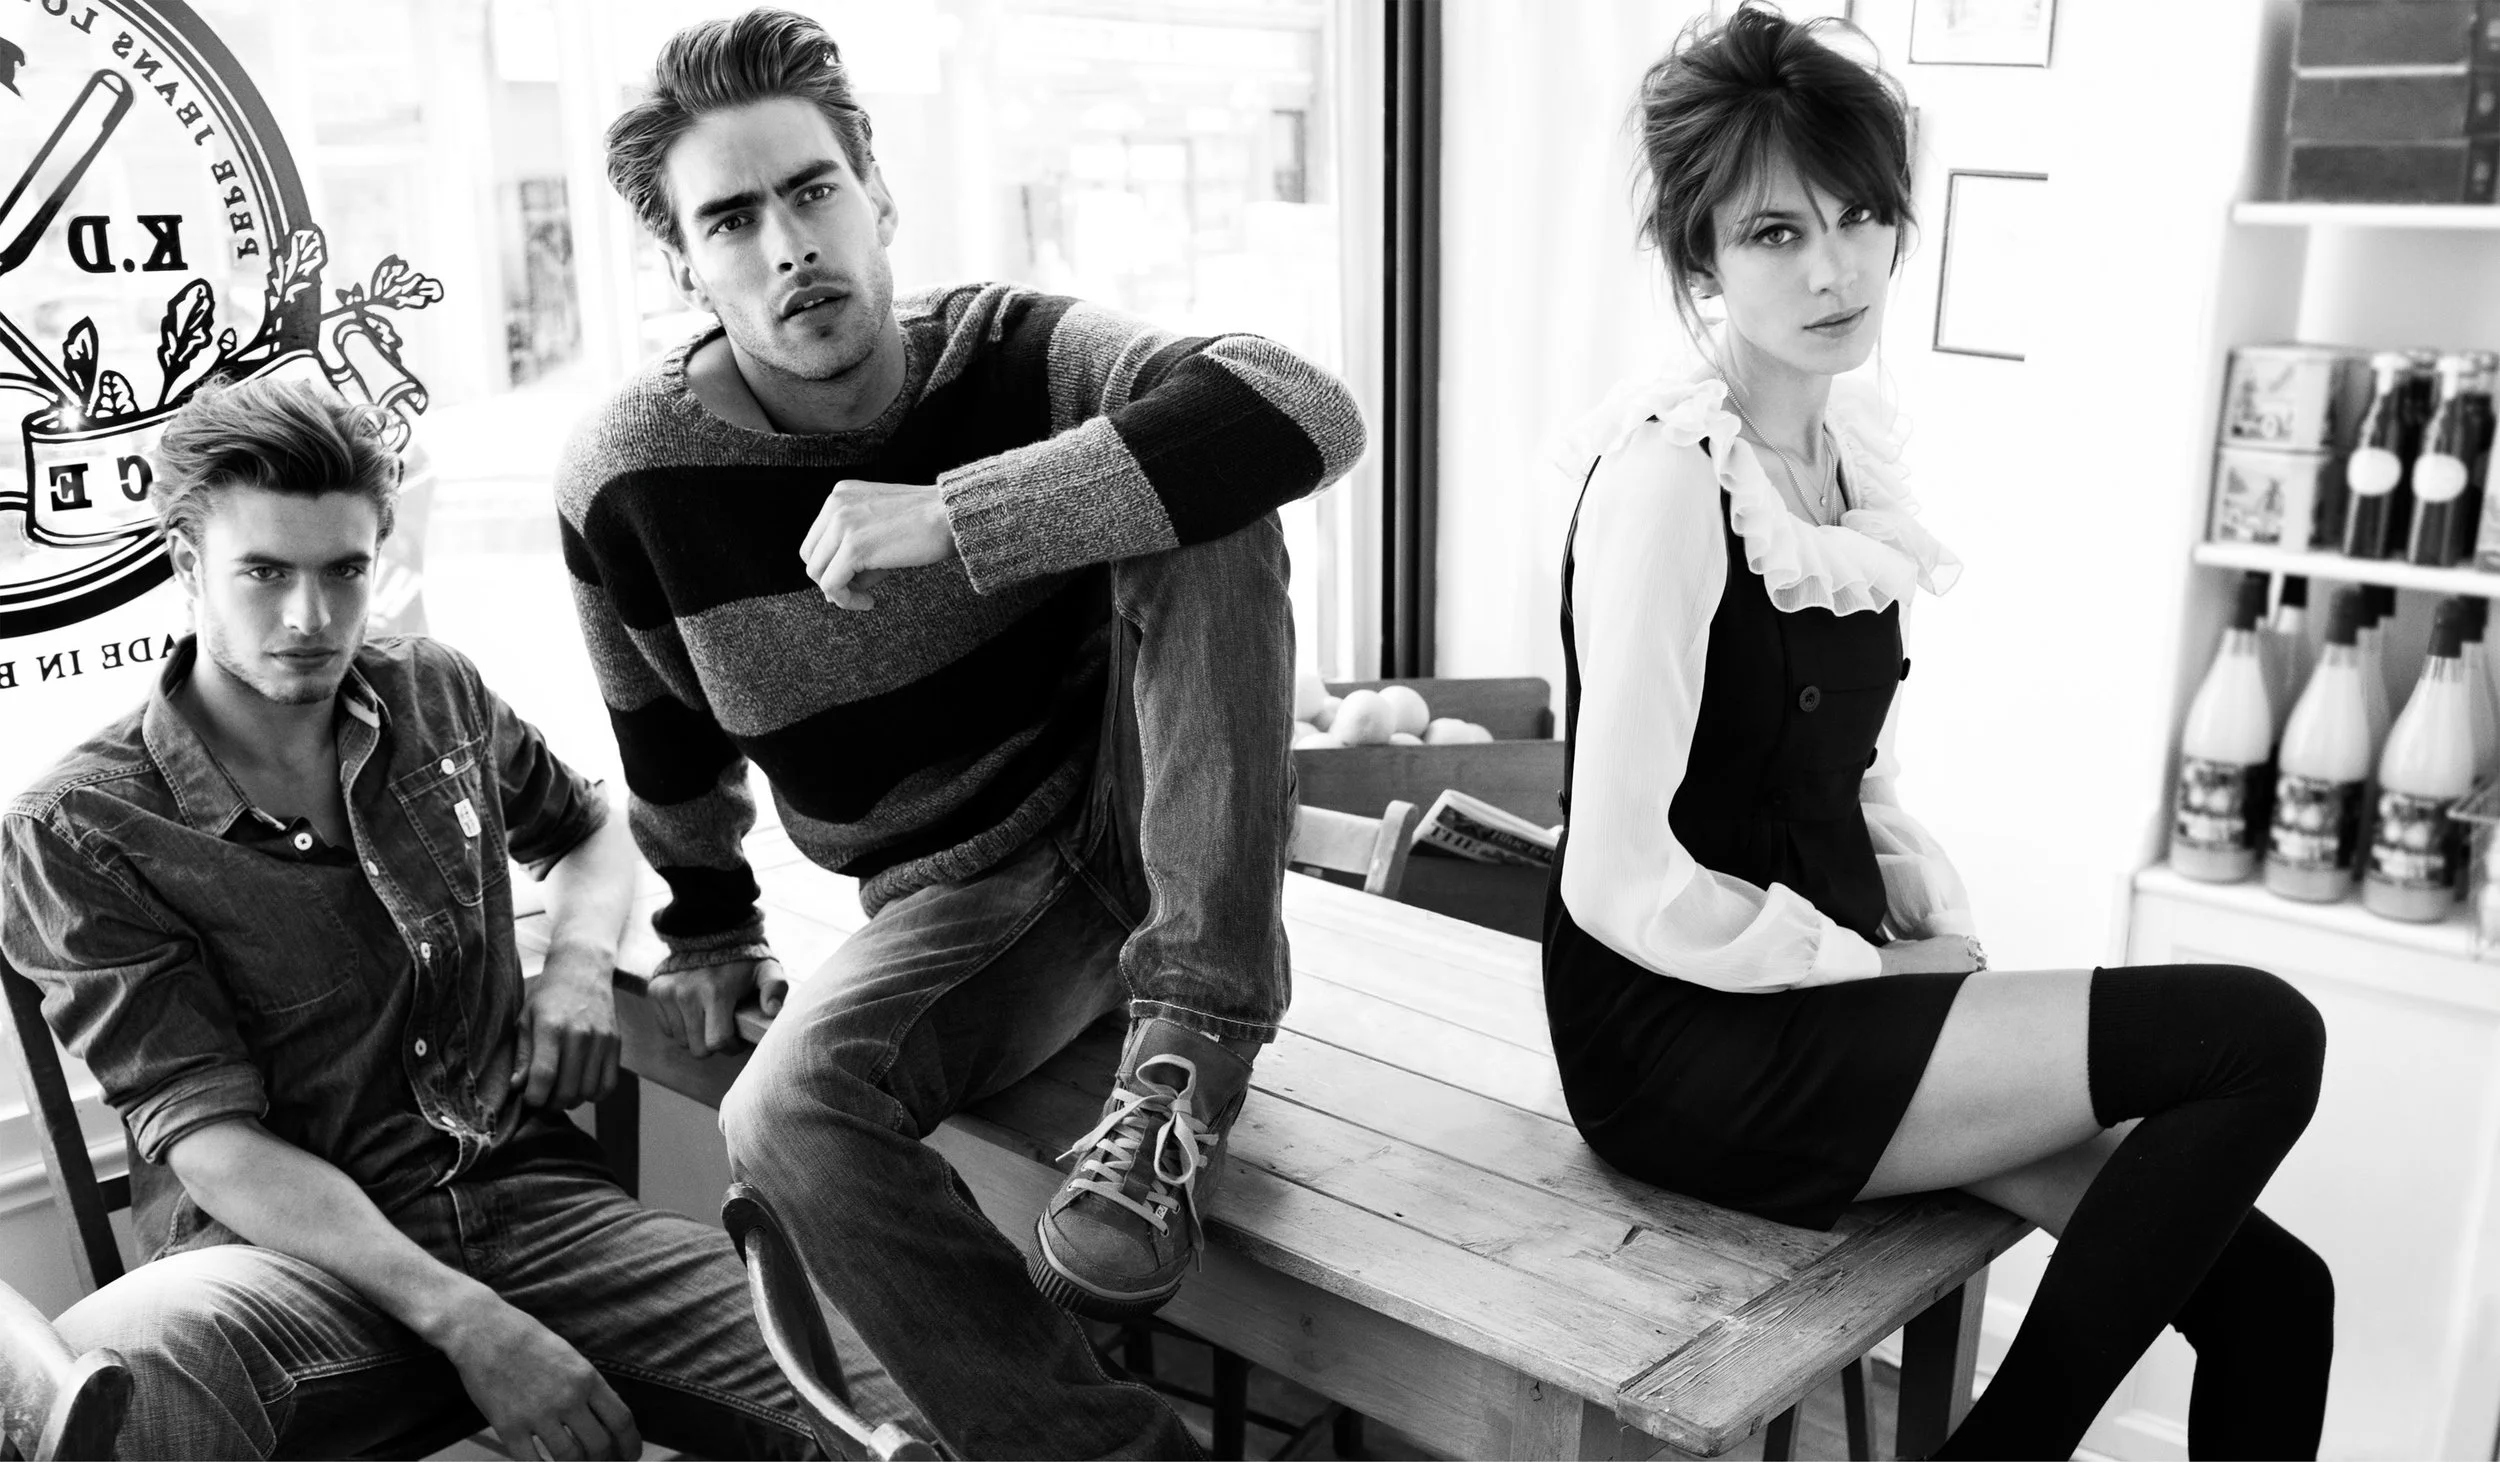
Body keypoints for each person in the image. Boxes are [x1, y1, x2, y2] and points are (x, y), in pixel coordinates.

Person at [564, 9, 1362, 1455]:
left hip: (1149, 804)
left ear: (876, 196)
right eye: (732, 219)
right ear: (684, 265)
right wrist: (709, 918)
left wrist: (958, 516)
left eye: (812, 191)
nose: (789, 244)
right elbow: (655, 720)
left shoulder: (1015, 354)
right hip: (968, 899)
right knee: (782, 1115)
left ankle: (1187, 1048)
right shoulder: (630, 480)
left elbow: (1305, 404)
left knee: (1207, 482)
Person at [1541, 9, 2332, 1457]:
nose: (1835, 266)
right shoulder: (1667, 475)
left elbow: (1846, 771)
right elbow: (1615, 872)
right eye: (1775, 232)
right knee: (2259, 1032)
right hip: (1685, 1040)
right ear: (1698, 257)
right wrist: (1863, 971)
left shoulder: (1840, 456)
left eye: (1859, 217)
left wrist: (1928, 924)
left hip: (1818, 996)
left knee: (2283, 1295)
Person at [1, 377, 852, 1460]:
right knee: (128, 1356)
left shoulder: (431, 692)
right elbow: (210, 1142)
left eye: (344, 571)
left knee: (882, 1402)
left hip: (536, 1213)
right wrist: (470, 1323)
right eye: (263, 572)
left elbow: (589, 827)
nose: (310, 619)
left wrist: (581, 966)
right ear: (185, 564)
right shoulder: (78, 826)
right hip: (288, 1269)